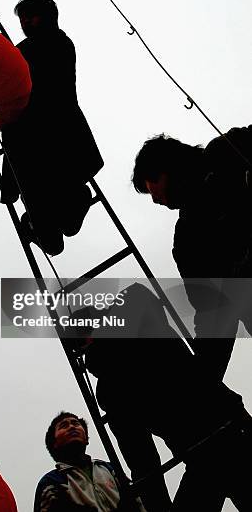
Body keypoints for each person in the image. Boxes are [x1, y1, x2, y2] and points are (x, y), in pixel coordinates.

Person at [76, 283, 252, 511]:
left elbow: (142, 461)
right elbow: (142, 461)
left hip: (224, 441)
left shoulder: (109, 387)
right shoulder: (110, 389)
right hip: (217, 445)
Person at [132, 129, 252, 381]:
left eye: (151, 183)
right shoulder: (187, 240)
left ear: (166, 168)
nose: (154, 200)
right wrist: (202, 382)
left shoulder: (226, 150)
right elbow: (212, 314)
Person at [1, 0, 103, 256]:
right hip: (29, 145)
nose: (25, 22)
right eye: (22, 18)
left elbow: (43, 89)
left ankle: (73, 200)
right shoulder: (27, 49)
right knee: (52, 244)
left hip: (54, 140)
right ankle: (42, 220)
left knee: (67, 223)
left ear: (48, 17)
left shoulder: (57, 43)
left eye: (30, 16)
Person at [34, 411, 146, 511]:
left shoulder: (109, 468)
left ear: (86, 438)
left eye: (76, 423)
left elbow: (138, 501)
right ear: (54, 443)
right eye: (64, 426)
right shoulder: (51, 482)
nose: (72, 427)